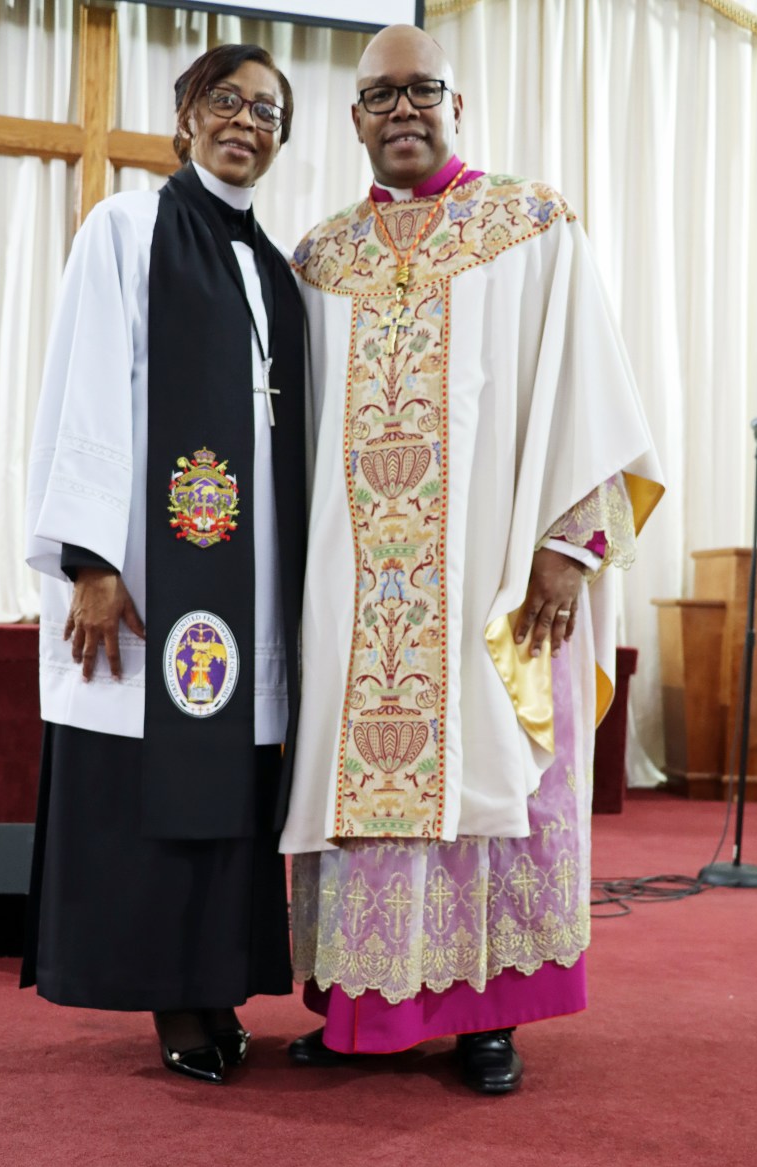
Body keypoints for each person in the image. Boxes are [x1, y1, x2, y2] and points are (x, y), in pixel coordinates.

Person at [280, 24, 663, 1094]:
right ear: (353, 120)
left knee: (495, 774)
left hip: (491, 577)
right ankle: (366, 1007)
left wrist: (565, 548)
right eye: (380, 97)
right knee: (360, 789)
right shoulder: (320, 258)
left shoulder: (528, 227)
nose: (402, 111)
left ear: (458, 106)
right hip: (356, 598)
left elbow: (592, 394)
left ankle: (488, 1016)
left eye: (423, 91)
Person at [21, 44, 307, 1085]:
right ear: (184, 115)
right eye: (226, 101)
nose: (247, 122)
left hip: (250, 583)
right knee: (151, 779)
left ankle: (216, 980)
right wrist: (93, 561)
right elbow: (89, 389)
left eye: (269, 112)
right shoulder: (127, 229)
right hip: (153, 577)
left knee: (231, 792)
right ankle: (169, 999)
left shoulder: (276, 268)